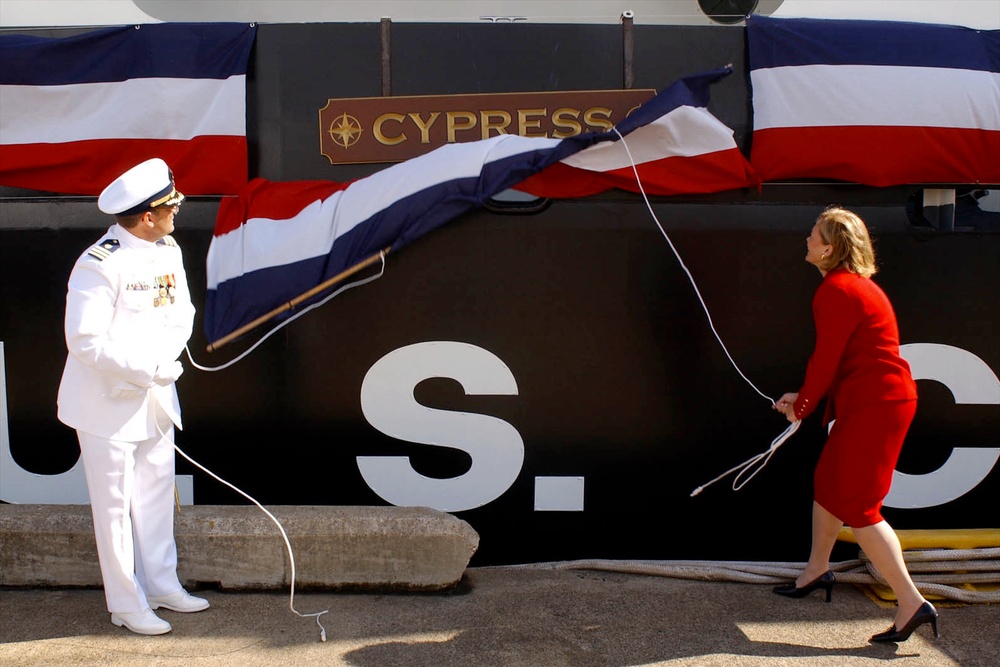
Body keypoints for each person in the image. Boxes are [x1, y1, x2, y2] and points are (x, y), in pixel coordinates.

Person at [772, 206, 938, 643]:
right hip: (873, 401)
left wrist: (802, 406)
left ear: (829, 247)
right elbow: (839, 361)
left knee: (860, 507)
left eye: (814, 233)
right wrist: (803, 399)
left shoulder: (836, 290)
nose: (807, 238)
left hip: (877, 406)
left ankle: (911, 602)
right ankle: (817, 571)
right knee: (829, 484)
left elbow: (825, 361)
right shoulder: (853, 287)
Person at [57, 158, 209, 636]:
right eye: (172, 205)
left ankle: (162, 584)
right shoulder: (99, 263)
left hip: (157, 397)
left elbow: (181, 309)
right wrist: (149, 368)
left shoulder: (167, 250)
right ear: (148, 215)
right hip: (108, 404)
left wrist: (164, 363)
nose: (178, 210)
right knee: (115, 507)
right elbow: (85, 341)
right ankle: (125, 603)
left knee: (157, 493)